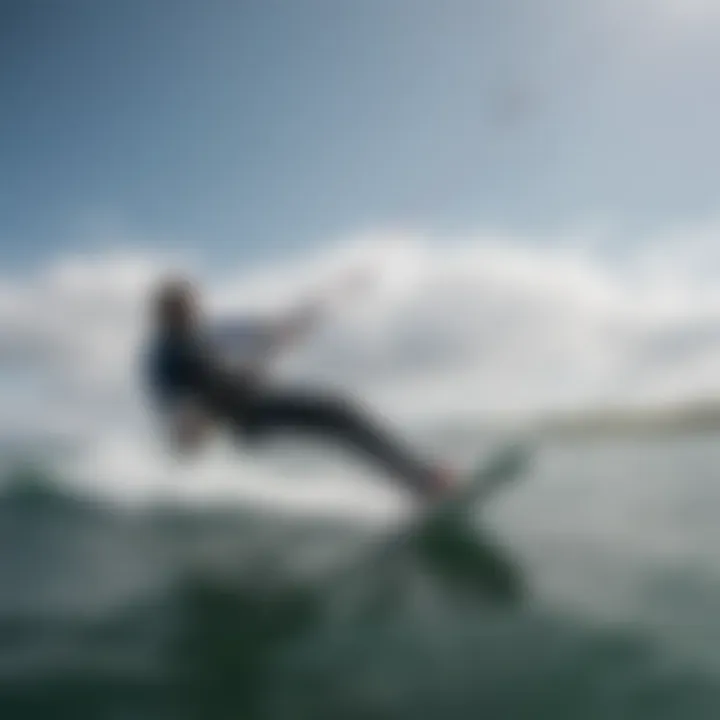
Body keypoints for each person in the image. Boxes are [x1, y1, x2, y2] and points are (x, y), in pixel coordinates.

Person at [144, 275, 456, 500]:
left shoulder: (186, 343)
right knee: (338, 414)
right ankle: (420, 482)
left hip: (247, 413)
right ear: (169, 313)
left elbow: (227, 370)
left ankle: (416, 480)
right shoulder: (170, 355)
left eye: (192, 306)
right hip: (245, 419)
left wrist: (283, 335)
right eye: (186, 308)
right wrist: (236, 385)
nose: (194, 312)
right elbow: (192, 404)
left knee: (339, 417)